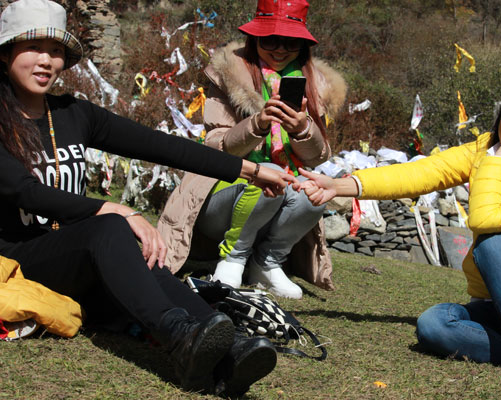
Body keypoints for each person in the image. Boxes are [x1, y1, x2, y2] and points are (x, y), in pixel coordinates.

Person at [0, 0, 291, 395]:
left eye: (55, 51)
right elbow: (23, 190)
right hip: (19, 261)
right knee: (109, 228)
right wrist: (113, 208)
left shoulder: (72, 113)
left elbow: (162, 146)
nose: (46, 60)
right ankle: (179, 337)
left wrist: (251, 171)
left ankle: (228, 350)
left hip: (76, 255)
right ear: (6, 53)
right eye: (33, 48)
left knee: (141, 257)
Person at [299, 78, 501, 394]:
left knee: (493, 239)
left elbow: (484, 219)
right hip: (494, 307)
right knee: (433, 325)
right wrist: (339, 185)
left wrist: (500, 158)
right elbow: (421, 173)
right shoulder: (484, 149)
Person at [158, 0, 346, 299]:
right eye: (270, 39)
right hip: (221, 193)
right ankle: (232, 257)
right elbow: (214, 145)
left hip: (277, 197)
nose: (280, 49)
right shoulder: (229, 74)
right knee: (267, 173)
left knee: (314, 190)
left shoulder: (315, 84)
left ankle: (267, 263)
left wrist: (302, 129)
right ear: (254, 38)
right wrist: (257, 124)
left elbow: (318, 157)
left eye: (291, 42)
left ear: (303, 45)